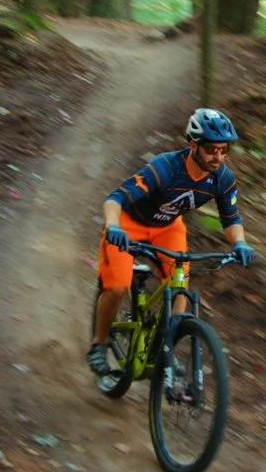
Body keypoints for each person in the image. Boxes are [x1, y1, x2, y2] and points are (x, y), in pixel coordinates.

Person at [87, 107, 255, 378]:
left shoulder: (222, 179)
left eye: (224, 150)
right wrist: (114, 227)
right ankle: (99, 343)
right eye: (212, 149)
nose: (219, 156)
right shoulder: (165, 167)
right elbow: (114, 200)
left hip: (167, 227)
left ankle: (165, 349)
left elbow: (231, 218)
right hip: (129, 223)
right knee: (117, 287)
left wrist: (240, 243)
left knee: (180, 286)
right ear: (193, 145)